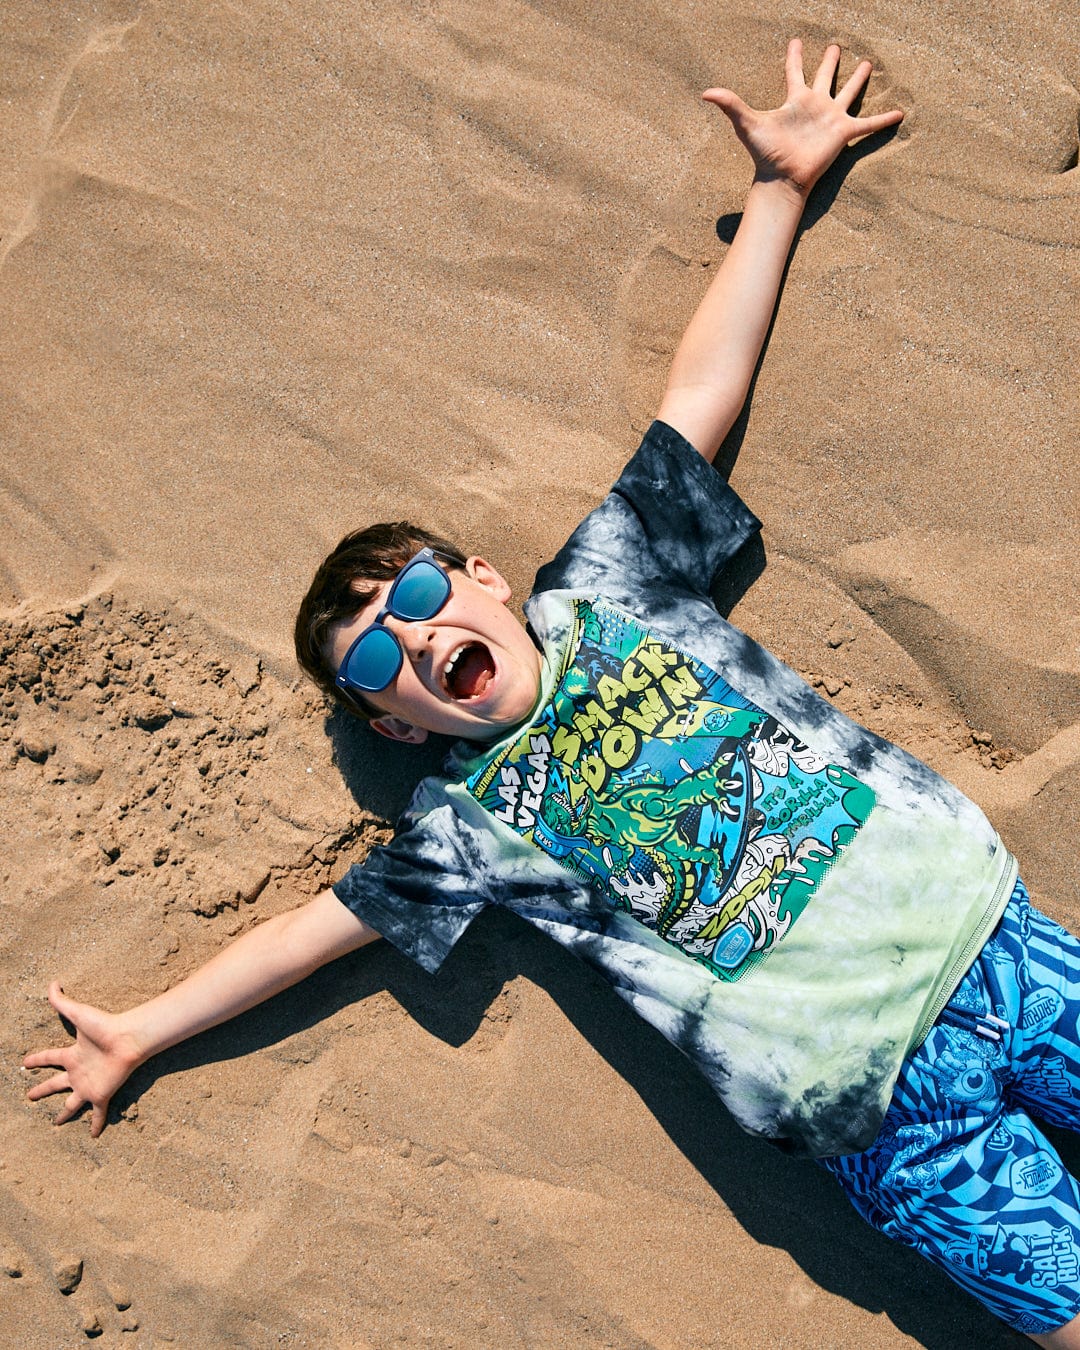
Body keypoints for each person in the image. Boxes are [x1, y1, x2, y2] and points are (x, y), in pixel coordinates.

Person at [22, 40, 1080, 1346]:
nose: (412, 642)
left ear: (478, 578)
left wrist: (780, 194)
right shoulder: (471, 825)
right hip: (867, 1108)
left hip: (994, 943)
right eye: (375, 664)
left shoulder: (609, 581)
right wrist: (138, 1032)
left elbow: (699, 393)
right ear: (398, 728)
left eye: (414, 600)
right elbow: (303, 935)